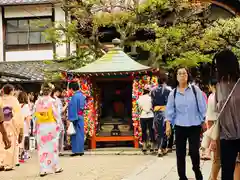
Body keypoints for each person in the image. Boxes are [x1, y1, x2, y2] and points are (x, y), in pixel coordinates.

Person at [165, 67, 207, 180]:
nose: (182, 75)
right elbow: (169, 110)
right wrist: (168, 125)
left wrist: (204, 121)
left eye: (184, 73)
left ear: (188, 75)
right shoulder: (173, 93)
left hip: (194, 125)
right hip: (179, 126)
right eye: (180, 73)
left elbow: (202, 107)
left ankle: (197, 170)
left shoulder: (195, 90)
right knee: (180, 154)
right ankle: (182, 176)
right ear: (176, 77)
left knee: (194, 152)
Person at [211, 49, 240, 180]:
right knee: (227, 172)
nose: (216, 68)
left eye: (218, 65)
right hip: (226, 136)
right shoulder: (219, 85)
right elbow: (217, 111)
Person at [34, 84, 63, 177]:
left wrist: (35, 128)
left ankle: (43, 169)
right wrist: (60, 125)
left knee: (42, 148)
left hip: (41, 126)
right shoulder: (53, 101)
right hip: (51, 126)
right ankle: (55, 167)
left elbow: (35, 116)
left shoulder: (37, 102)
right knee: (53, 147)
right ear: (51, 91)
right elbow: (57, 115)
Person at [0, 84, 24, 171]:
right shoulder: (14, 100)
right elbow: (18, 116)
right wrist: (20, 130)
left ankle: (1, 162)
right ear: (11, 91)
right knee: (11, 143)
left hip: (1, 124)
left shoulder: (1, 99)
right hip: (11, 123)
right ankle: (8, 164)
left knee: (1, 144)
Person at [151, 72, 171, 156]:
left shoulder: (153, 90)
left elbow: (152, 103)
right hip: (165, 112)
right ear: (165, 80)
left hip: (156, 112)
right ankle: (162, 148)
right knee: (165, 131)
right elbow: (170, 103)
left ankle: (160, 148)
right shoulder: (168, 90)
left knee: (158, 131)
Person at [68, 82, 86, 156]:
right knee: (80, 134)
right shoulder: (82, 95)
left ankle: (76, 151)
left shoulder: (75, 97)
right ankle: (81, 150)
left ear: (72, 89)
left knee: (75, 135)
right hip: (80, 116)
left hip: (76, 117)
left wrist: (71, 119)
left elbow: (73, 108)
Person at [137, 84, 154, 153]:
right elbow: (153, 106)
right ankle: (152, 145)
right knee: (151, 130)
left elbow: (139, 107)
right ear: (149, 91)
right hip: (151, 115)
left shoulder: (140, 98)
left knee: (144, 131)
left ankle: (144, 146)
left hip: (143, 115)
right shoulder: (151, 98)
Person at [52, 87, 68, 156]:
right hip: (58, 119)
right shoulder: (57, 100)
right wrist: (66, 105)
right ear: (56, 92)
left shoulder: (50, 99)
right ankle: (59, 150)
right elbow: (60, 111)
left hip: (51, 120)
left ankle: (55, 150)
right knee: (60, 134)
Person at [18, 91, 32, 162]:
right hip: (24, 125)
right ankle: (22, 156)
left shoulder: (17, 105)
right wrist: (29, 127)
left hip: (17, 124)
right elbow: (27, 118)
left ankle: (18, 155)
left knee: (18, 140)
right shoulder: (26, 106)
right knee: (23, 140)